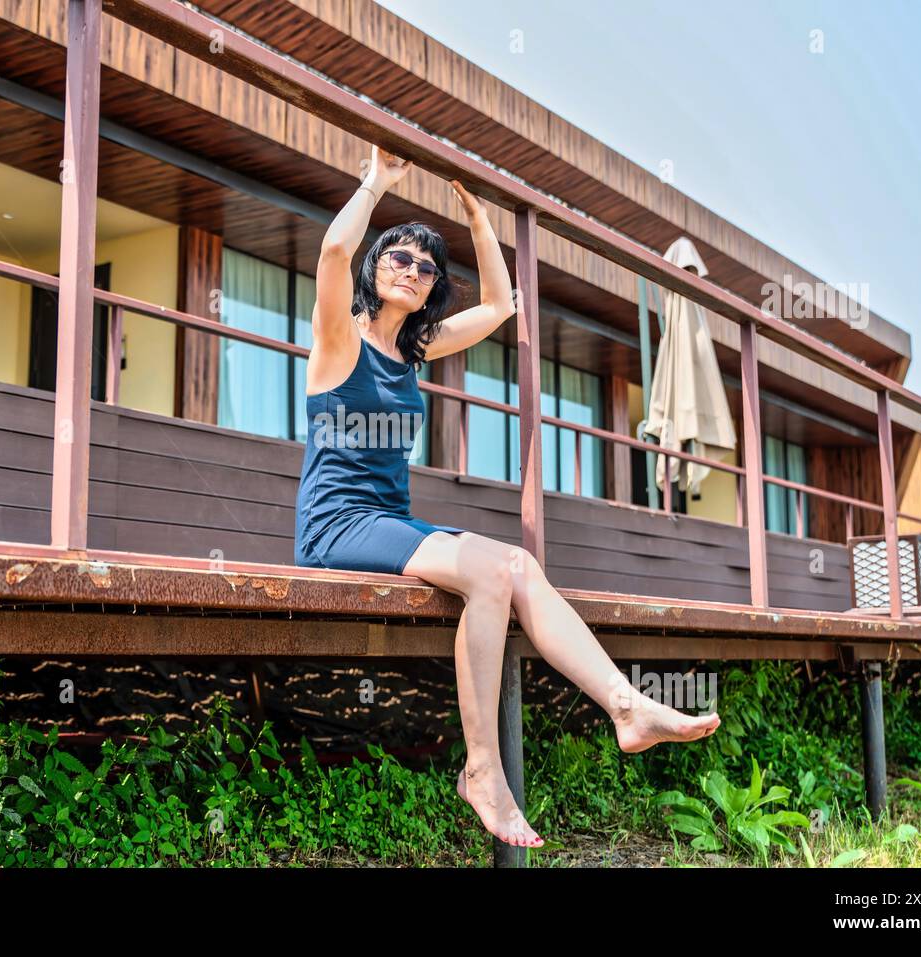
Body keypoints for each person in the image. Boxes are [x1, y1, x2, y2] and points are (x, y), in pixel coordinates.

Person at [295, 145, 720, 849]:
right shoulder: (342, 339)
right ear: (377, 270)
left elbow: (498, 304)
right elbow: (334, 254)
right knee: (491, 569)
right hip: (335, 526)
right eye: (399, 258)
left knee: (516, 563)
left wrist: (476, 212)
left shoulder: (411, 355)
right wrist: (378, 179)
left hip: (386, 524)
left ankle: (625, 703)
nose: (413, 270)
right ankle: (483, 770)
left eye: (427, 268)